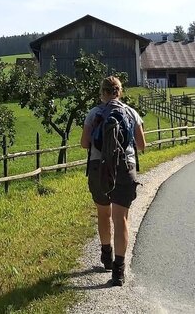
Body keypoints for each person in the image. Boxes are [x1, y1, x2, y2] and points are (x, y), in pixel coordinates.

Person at [81, 76, 146, 286]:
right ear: (120, 91)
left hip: (98, 168)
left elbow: (84, 144)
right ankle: (118, 271)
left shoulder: (94, 113)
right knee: (121, 219)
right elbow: (142, 144)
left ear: (102, 93)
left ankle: (106, 255)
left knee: (103, 213)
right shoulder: (131, 112)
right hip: (124, 168)